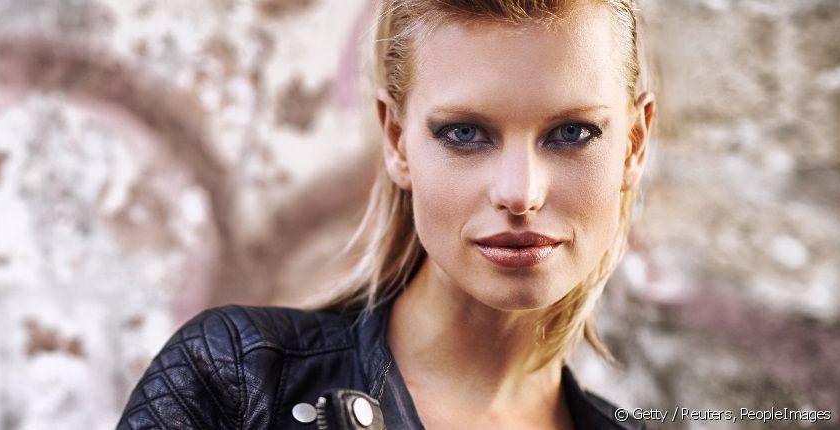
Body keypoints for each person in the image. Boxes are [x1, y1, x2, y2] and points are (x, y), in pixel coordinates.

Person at [117, 0, 656, 428]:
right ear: (397, 140)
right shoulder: (236, 379)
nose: (520, 194)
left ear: (634, 145)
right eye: (464, 133)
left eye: (572, 133)